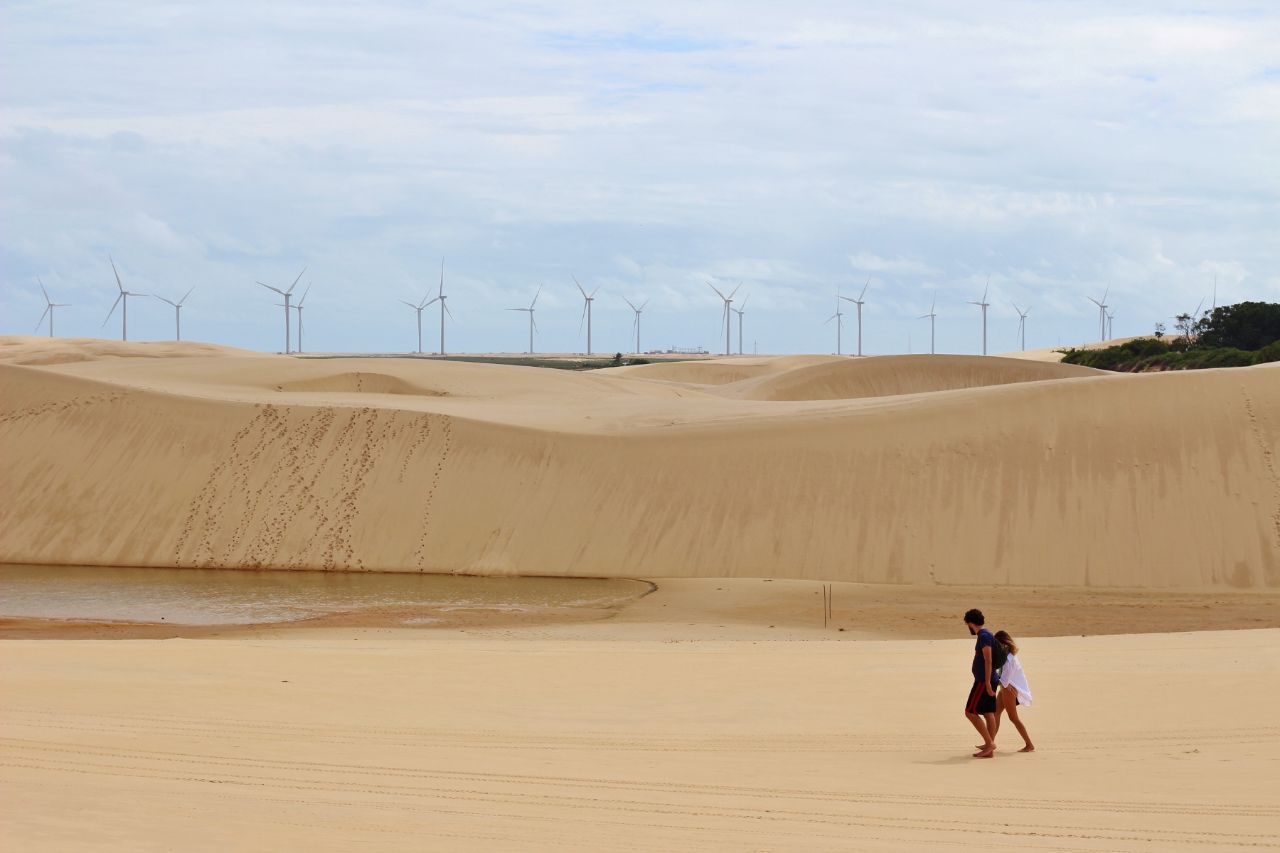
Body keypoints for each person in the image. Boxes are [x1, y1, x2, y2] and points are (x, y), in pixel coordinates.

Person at [990, 630, 1035, 752]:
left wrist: (1000, 682)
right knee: (996, 714)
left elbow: (1005, 679)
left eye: (997, 644)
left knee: (1013, 718)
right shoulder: (1007, 656)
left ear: (1003, 643)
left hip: (1009, 690)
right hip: (1006, 688)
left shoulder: (1009, 659)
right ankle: (990, 743)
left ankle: (1029, 745)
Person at [963, 608, 998, 758]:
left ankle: (989, 744)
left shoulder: (983, 636)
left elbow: (988, 660)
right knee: (988, 712)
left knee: (970, 712)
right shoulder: (987, 634)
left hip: (984, 682)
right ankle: (989, 746)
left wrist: (988, 683)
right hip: (989, 680)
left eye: (967, 625)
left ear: (971, 623)